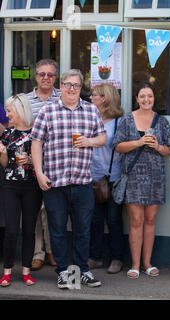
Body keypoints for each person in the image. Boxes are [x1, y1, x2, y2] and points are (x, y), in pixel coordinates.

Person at [31, 69, 107, 289]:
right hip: (55, 182)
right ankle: (63, 272)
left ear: (81, 88)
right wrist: (39, 173)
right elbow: (36, 143)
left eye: (76, 85)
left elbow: (102, 138)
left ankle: (83, 270)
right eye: (67, 85)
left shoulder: (91, 111)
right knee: (57, 229)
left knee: (83, 229)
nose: (72, 89)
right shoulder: (47, 111)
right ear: (61, 86)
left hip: (83, 181)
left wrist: (89, 142)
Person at [113, 82, 170, 279]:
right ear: (137, 99)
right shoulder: (127, 120)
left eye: (150, 96)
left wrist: (157, 146)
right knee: (136, 221)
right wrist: (139, 142)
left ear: (154, 98)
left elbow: (168, 150)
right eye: (142, 96)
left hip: (156, 176)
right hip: (133, 177)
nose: (147, 99)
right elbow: (118, 146)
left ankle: (147, 263)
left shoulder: (162, 122)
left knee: (150, 220)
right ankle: (135, 264)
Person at [0, 94, 42, 287]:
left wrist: (31, 161)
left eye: (10, 111)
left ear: (21, 111)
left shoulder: (36, 134)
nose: (7, 114)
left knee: (28, 230)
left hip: (31, 186)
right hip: (11, 186)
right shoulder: (7, 134)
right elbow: (5, 164)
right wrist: (1, 153)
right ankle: (7, 271)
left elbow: (42, 162)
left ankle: (26, 271)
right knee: (10, 230)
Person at [26, 58, 61, 271]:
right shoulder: (26, 101)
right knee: (36, 210)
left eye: (50, 74)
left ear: (55, 78)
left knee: (53, 210)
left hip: (57, 162)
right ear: (36, 76)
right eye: (42, 74)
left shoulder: (63, 98)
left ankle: (53, 251)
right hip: (32, 162)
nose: (46, 78)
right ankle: (38, 252)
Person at [88, 84, 125, 274]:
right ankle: (95, 257)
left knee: (113, 219)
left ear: (104, 99)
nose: (90, 98)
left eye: (93, 95)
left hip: (113, 177)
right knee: (94, 220)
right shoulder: (89, 118)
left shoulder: (119, 122)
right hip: (91, 176)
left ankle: (117, 258)